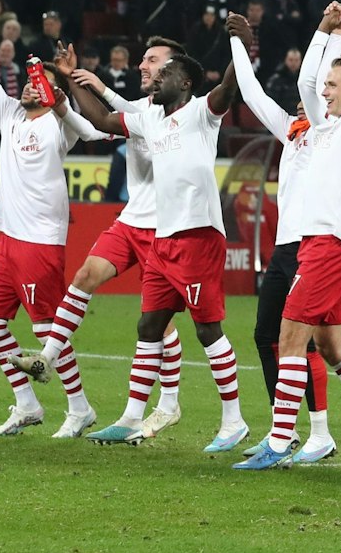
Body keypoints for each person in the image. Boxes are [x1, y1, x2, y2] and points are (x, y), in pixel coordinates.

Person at [65, 34, 252, 450]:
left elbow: (228, 86)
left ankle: (234, 420)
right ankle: (131, 417)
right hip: (164, 238)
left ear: (184, 83)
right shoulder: (149, 119)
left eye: (165, 72)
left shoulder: (204, 112)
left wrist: (242, 43)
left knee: (207, 330)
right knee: (149, 325)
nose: (157, 76)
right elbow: (100, 120)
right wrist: (69, 78)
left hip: (199, 235)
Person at [232, 0, 341, 473]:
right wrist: (328, 30)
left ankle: (281, 440)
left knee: (286, 334)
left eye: (331, 86)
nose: (322, 93)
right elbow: (304, 82)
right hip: (313, 244)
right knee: (330, 344)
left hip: (331, 241)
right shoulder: (318, 129)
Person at [7, 47, 188, 441]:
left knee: (161, 322)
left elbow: (109, 112)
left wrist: (78, 88)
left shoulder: (184, 113)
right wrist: (65, 95)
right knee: (86, 275)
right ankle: (47, 357)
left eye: (152, 60)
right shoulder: (141, 105)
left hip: (168, 225)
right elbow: (92, 128)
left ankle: (171, 402)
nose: (143, 65)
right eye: (142, 59)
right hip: (132, 219)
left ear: (176, 70)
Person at [0, 7, 100, 438]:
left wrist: (63, 90)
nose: (29, 90)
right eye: (29, 83)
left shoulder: (62, 126)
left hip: (41, 240)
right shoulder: (10, 117)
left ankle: (79, 408)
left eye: (40, 86)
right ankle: (27, 403)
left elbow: (85, 125)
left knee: (45, 329)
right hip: (8, 238)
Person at [217, 7, 340, 462]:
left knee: (307, 341)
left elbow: (323, 76)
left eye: (321, 91)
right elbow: (248, 90)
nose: (304, 97)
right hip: (287, 249)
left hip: (314, 246)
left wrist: (330, 32)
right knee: (275, 336)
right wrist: (240, 45)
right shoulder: (293, 132)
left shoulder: (332, 131)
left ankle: (314, 433)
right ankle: (291, 431)